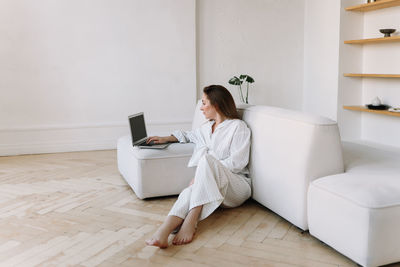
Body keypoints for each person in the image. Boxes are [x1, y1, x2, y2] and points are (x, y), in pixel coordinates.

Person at [145, 85, 251, 248]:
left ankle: (190, 221)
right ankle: (163, 231)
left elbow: (238, 163)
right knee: (189, 191)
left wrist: (204, 172)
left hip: (236, 187)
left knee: (206, 160)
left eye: (204, 103)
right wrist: (166, 138)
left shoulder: (238, 127)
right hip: (212, 188)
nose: (201, 108)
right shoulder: (206, 128)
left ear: (216, 104)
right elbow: (188, 135)